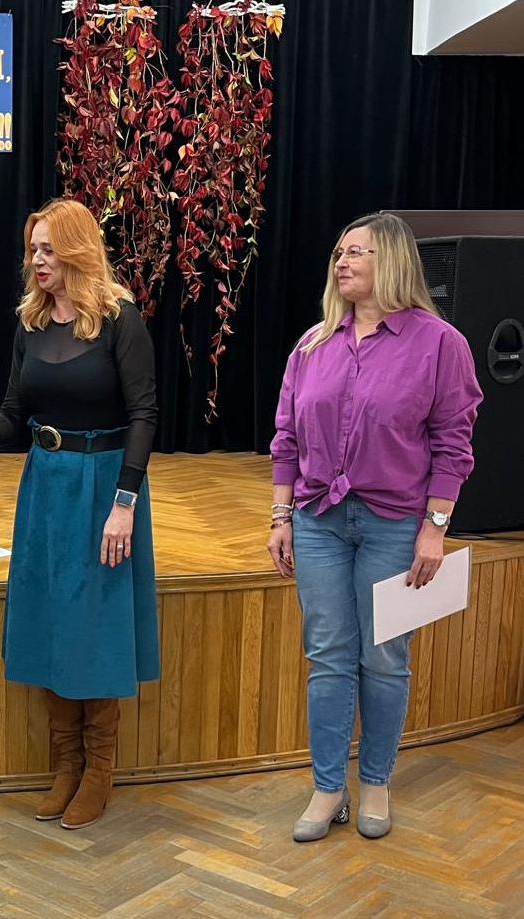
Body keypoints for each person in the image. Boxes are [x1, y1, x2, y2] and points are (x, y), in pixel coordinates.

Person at [268, 212, 482, 842]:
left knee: (384, 658)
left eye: (355, 252)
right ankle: (328, 787)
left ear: (391, 261)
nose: (341, 262)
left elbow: (453, 443)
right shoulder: (313, 343)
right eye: (338, 252)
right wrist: (280, 517)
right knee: (328, 656)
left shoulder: (440, 343)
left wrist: (435, 527)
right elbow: (286, 438)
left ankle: (377, 781)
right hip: (318, 521)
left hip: (395, 524)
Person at [0, 198, 159, 830]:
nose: (37, 260)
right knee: (49, 615)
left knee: (94, 622)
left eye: (48, 248)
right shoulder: (31, 321)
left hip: (105, 487)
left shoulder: (120, 319)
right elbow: (13, 415)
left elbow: (144, 415)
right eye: (32, 249)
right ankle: (65, 765)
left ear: (77, 249)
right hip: (45, 486)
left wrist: (124, 502)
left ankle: (99, 768)